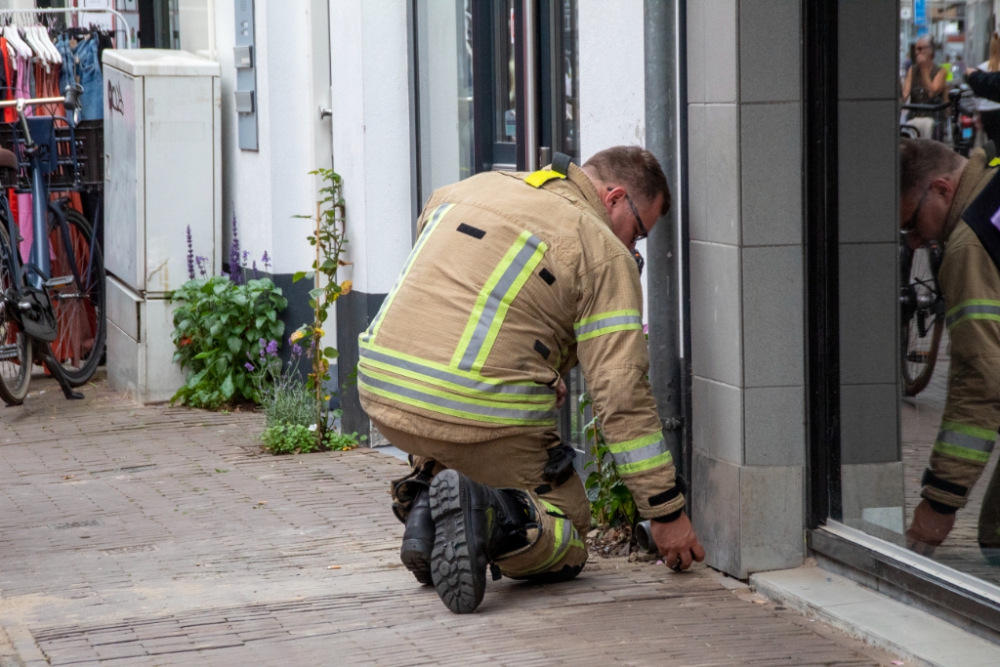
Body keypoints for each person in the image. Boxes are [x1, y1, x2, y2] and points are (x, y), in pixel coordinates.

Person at [360, 146, 705, 613]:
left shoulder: (467, 189)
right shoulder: (602, 251)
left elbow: (466, 297)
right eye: (638, 232)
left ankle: (424, 505)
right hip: (474, 412)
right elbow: (621, 396)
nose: (633, 247)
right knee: (568, 526)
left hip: (381, 391)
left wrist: (535, 366)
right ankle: (491, 521)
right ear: (615, 198)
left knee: (457, 445)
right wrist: (664, 511)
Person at [900, 138, 1000, 562]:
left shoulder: (969, 245)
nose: (916, 244)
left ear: (942, 189)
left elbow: (982, 380)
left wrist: (940, 501)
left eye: (913, 225)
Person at [903, 37, 948, 139]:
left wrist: (924, 70)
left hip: (932, 118)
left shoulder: (941, 71)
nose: (917, 52)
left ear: (930, 50)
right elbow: (906, 93)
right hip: (914, 117)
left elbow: (932, 93)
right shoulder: (912, 70)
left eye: (920, 49)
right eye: (916, 49)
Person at [969, 34, 1000, 143]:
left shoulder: (982, 68)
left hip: (986, 111)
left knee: (990, 142)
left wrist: (978, 113)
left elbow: (977, 94)